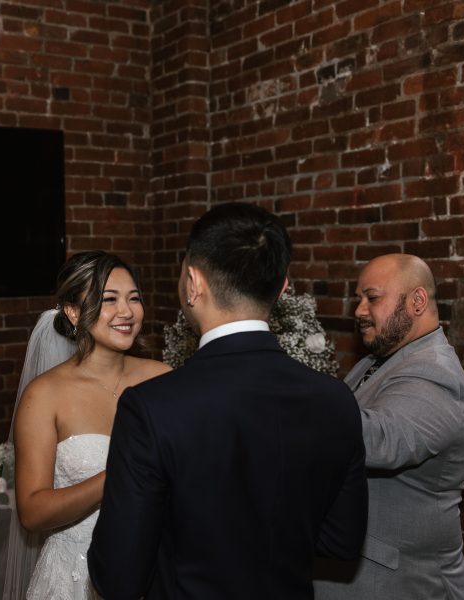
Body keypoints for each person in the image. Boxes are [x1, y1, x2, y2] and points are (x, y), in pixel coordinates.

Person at [88, 202, 368, 599]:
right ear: (284, 286)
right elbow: (343, 540)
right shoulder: (335, 399)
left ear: (193, 283)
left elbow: (117, 576)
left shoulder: (152, 406)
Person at [0, 250, 170, 600]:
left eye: (134, 299)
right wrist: (118, 474)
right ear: (73, 312)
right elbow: (33, 511)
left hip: (153, 571)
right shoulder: (44, 395)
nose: (127, 312)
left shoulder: (163, 379)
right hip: (74, 576)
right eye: (109, 299)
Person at [313, 253, 464, 600]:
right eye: (359, 299)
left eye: (371, 298)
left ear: (417, 301)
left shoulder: (436, 374)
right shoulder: (376, 361)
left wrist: (285, 395)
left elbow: (381, 440)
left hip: (402, 582)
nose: (358, 310)